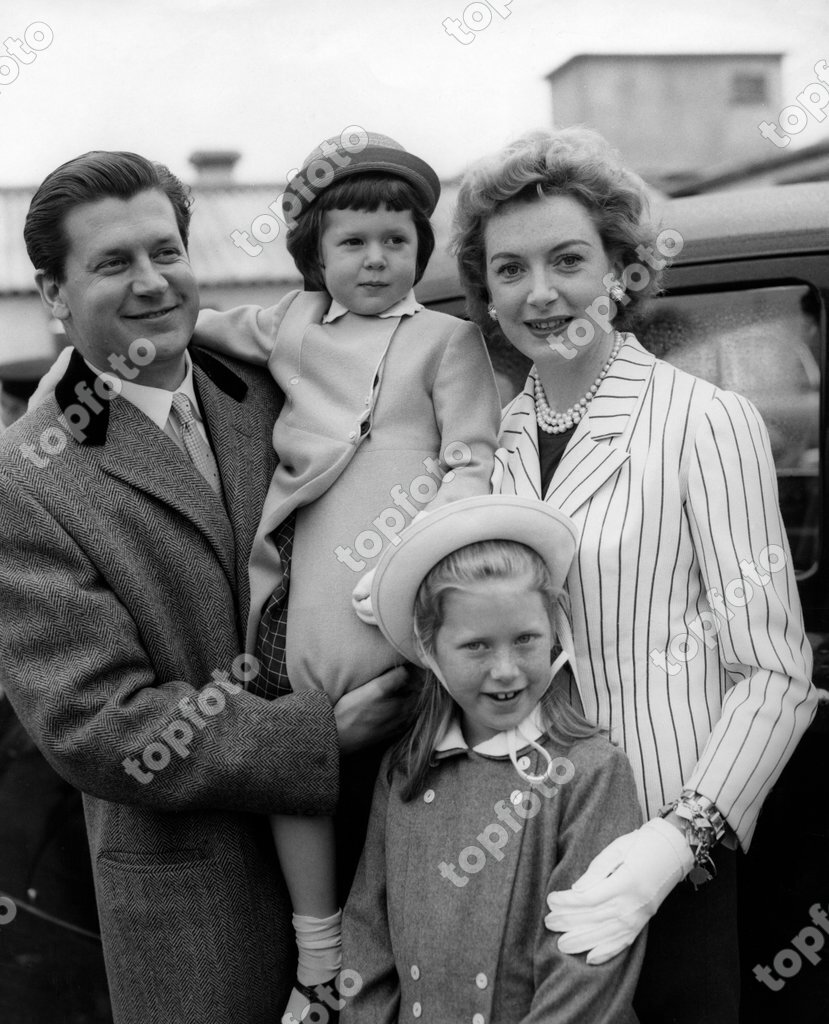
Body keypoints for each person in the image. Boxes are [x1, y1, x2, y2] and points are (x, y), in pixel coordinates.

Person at [0, 150, 409, 1024]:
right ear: (53, 295)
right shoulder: (27, 477)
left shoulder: (270, 389)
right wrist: (314, 738)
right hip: (201, 908)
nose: (152, 282)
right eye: (112, 263)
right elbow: (94, 721)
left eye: (166, 251)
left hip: (372, 864)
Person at [450, 128, 818, 1023]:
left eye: (567, 259)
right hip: (521, 849)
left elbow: (775, 673)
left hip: (661, 853)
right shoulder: (487, 443)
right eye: (509, 269)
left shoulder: (704, 421)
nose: (539, 294)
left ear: (621, 269)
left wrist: (677, 840)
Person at [192, 131, 501, 1020]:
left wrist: (421, 561)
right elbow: (192, 326)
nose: (375, 259)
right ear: (314, 257)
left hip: (401, 596)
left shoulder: (445, 340)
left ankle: (412, 961)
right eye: (352, 243)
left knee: (414, 772)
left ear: (419, 248)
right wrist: (77, 358)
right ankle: (316, 957)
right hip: (304, 580)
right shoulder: (289, 322)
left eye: (396, 240)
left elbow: (470, 461)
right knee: (303, 751)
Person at [341, 494, 646, 1023]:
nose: (506, 670)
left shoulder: (592, 772)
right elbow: (368, 940)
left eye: (526, 639)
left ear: (554, 634)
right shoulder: (405, 770)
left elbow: (585, 975)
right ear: (430, 649)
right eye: (477, 646)